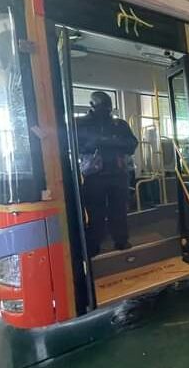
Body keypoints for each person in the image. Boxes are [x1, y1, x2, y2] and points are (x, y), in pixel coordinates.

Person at [77, 91, 138, 257]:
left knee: (119, 210)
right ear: (92, 106)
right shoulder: (80, 123)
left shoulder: (119, 125)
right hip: (93, 175)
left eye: (108, 108)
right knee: (95, 211)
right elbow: (74, 146)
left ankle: (121, 240)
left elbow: (132, 145)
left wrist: (107, 142)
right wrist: (95, 144)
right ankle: (94, 244)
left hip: (118, 173)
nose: (106, 111)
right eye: (102, 107)